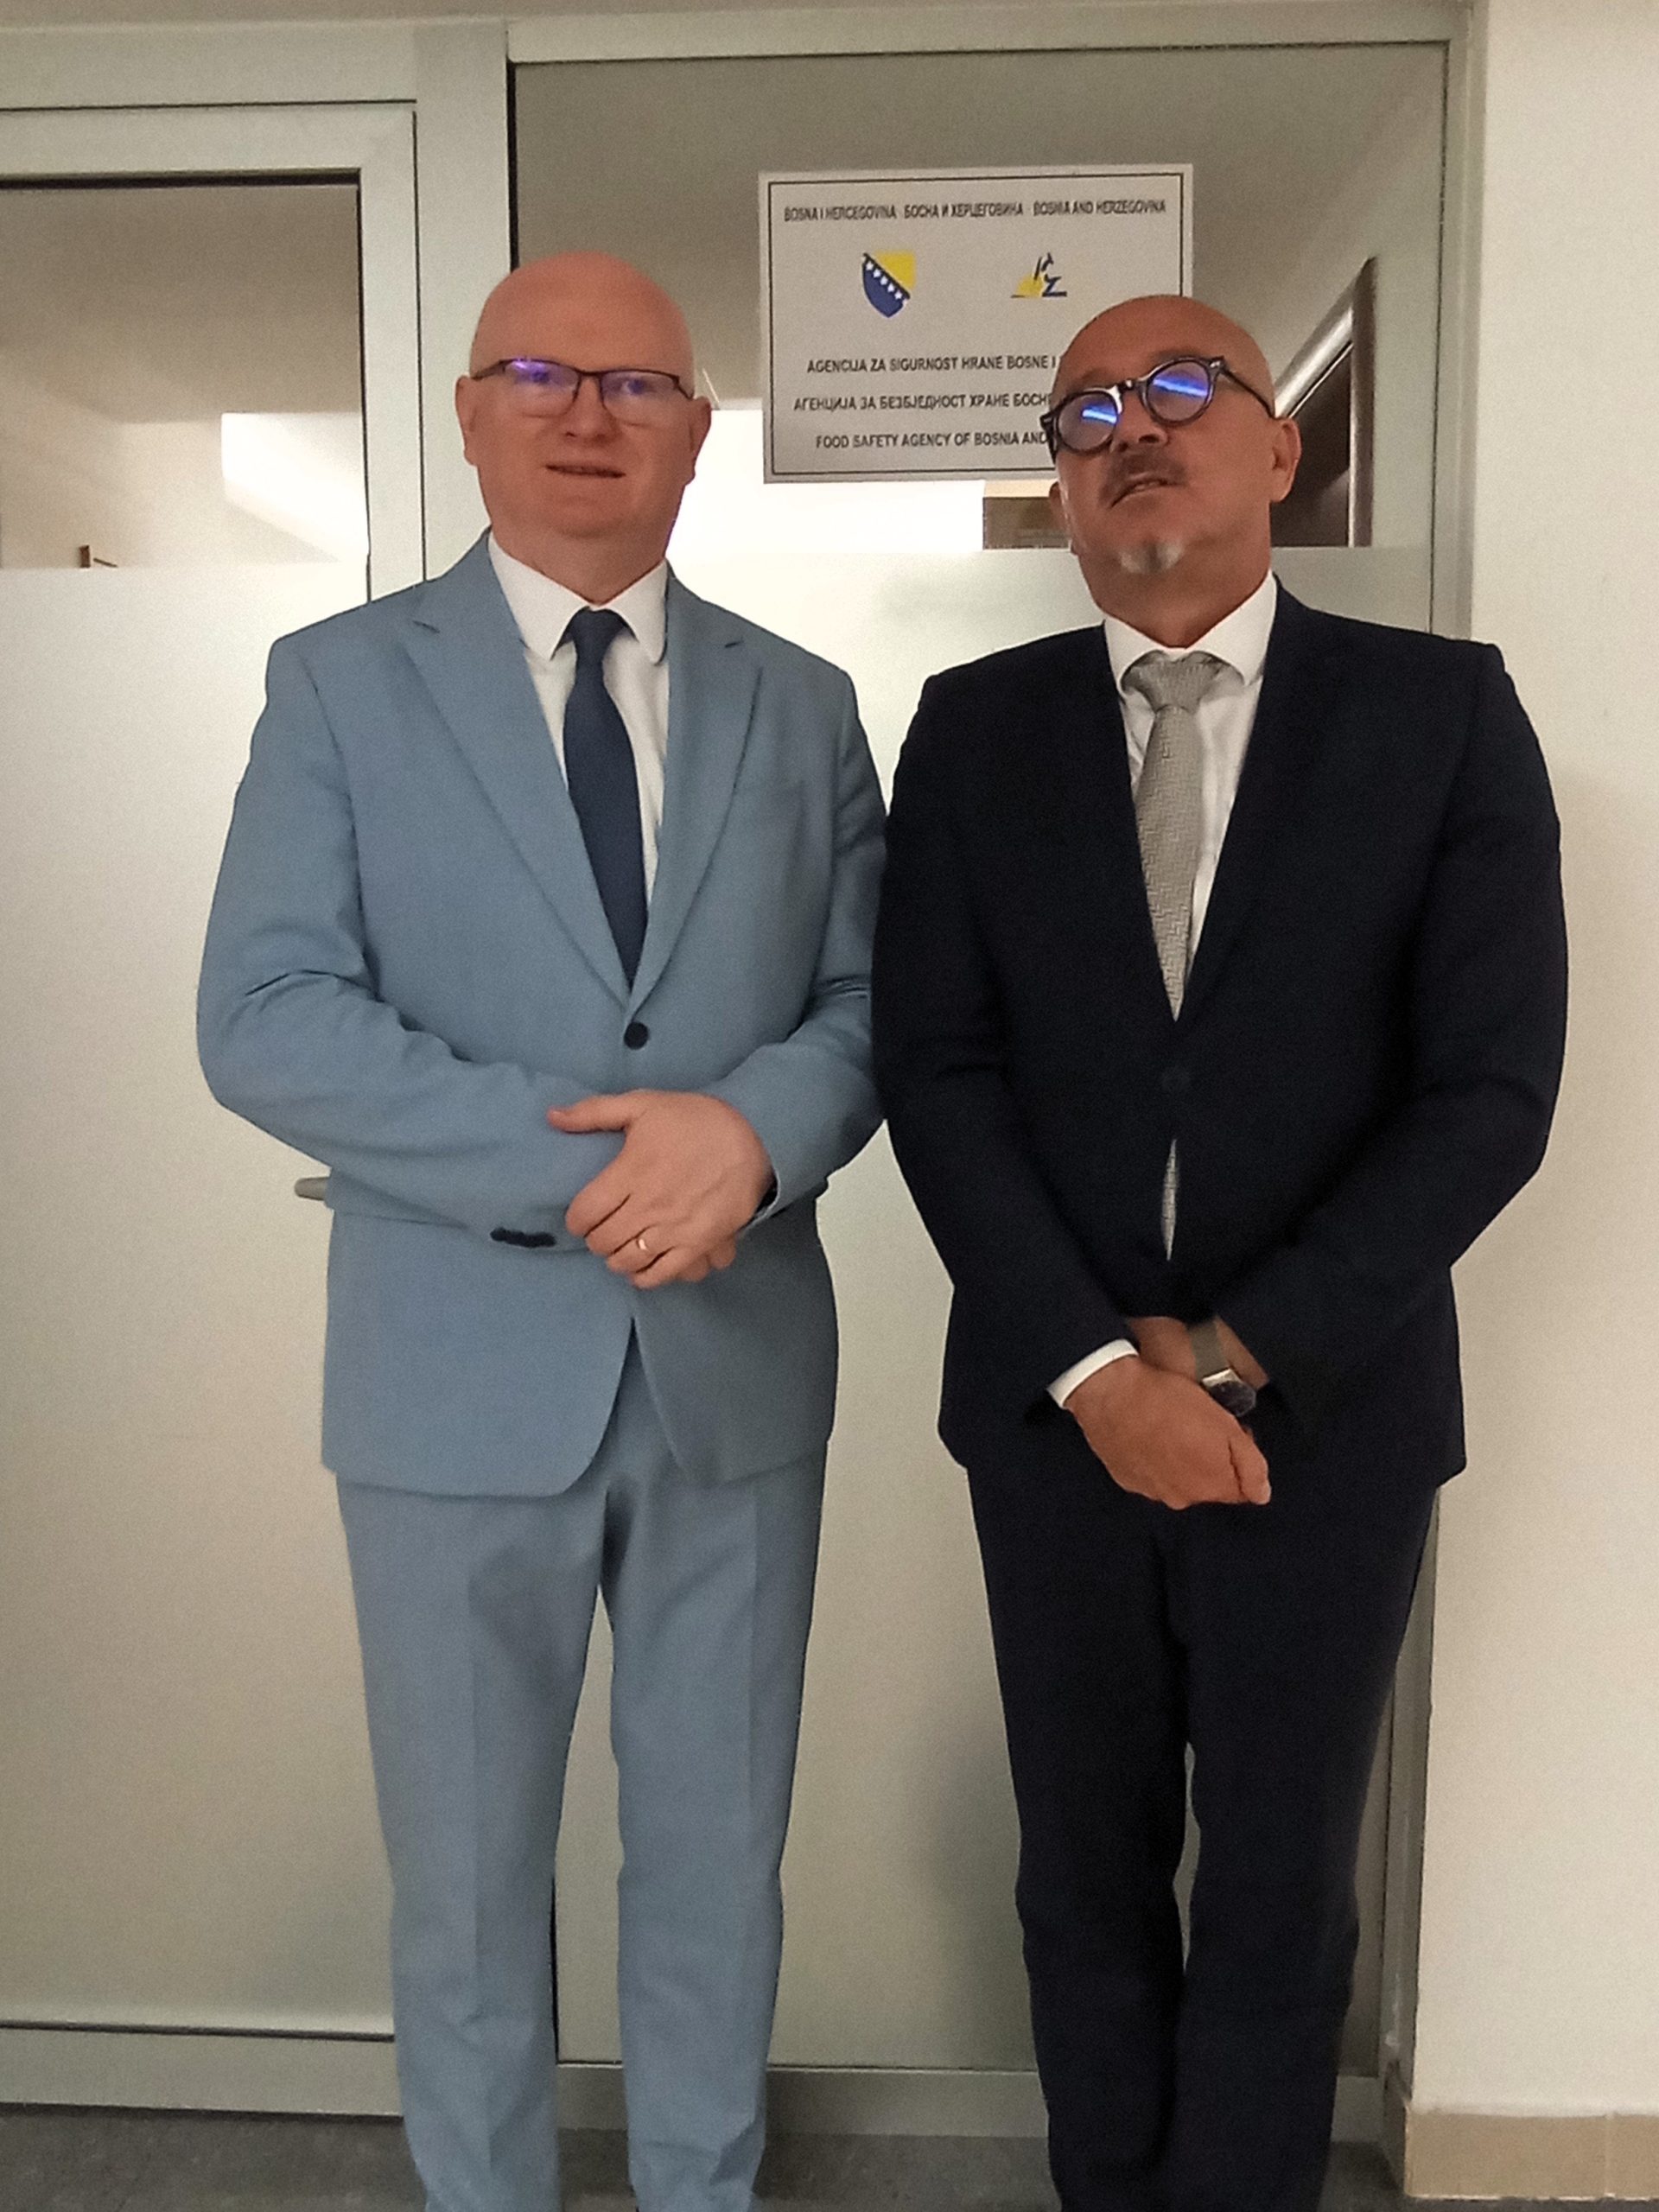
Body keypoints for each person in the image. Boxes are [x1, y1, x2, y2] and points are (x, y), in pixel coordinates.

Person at [198, 252, 883, 2212]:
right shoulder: (341, 682)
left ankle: (701, 2186)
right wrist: (595, 1168)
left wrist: (748, 1137)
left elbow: (876, 1000)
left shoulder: (805, 701)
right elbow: (266, 1014)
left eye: (638, 384)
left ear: (698, 431)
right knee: (470, 1876)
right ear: (471, 412)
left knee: (717, 1858)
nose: (589, 415)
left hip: (734, 1373)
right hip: (449, 1376)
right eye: (541, 374)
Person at [871, 295, 1567, 2212]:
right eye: (1087, 406)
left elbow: (1492, 1094)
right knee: (1080, 1872)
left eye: (1183, 386)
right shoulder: (975, 732)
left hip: (1328, 1422)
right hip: (1053, 1416)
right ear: (1060, 481)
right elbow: (936, 1072)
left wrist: (1239, 1354)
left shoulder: (1441, 715)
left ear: (1281, 447)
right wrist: (1104, 1374)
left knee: (1277, 1879)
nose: (1133, 427)